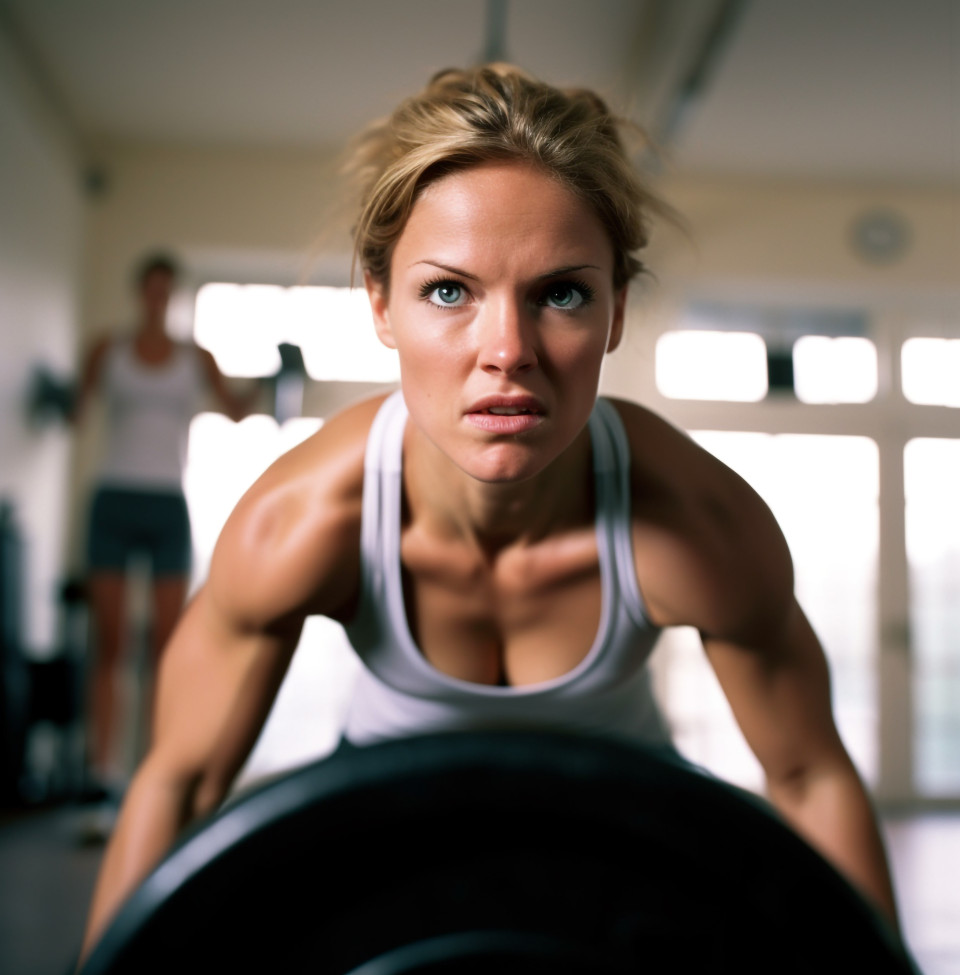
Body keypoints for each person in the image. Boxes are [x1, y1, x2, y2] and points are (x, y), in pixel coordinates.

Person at [79, 65, 899, 958]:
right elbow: (181, 783)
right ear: (380, 306)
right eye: (448, 291)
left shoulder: (697, 523)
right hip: (384, 843)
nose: (506, 352)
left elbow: (811, 776)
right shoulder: (301, 522)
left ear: (616, 309)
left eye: (561, 292)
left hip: (621, 840)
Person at [73, 253, 256, 808]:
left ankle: (155, 770)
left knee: (166, 646)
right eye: (149, 289)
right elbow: (74, 412)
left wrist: (279, 373)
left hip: (167, 503)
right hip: (114, 498)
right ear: (139, 292)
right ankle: (103, 770)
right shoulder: (108, 350)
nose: (157, 298)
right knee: (110, 645)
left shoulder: (195, 357)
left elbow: (236, 411)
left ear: (172, 295)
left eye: (165, 290)